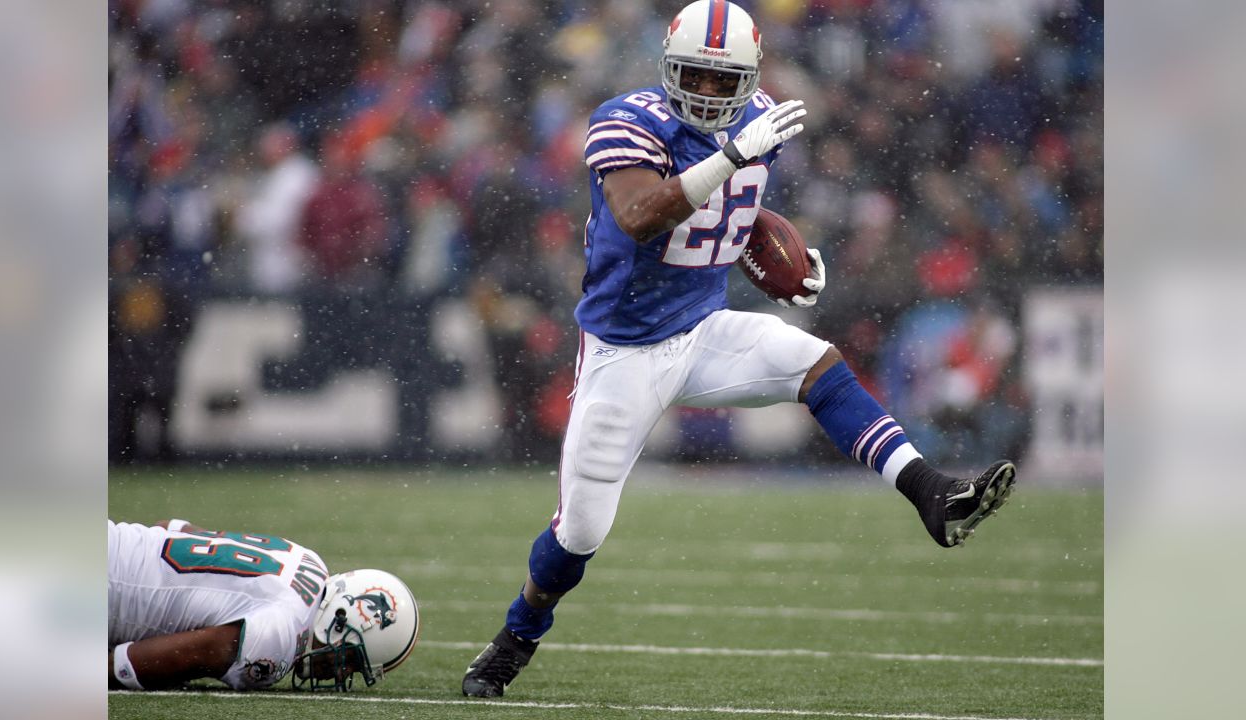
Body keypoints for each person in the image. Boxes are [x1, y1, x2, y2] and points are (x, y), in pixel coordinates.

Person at [461, 0, 1017, 699]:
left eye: (728, 81)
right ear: (669, 70)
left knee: (814, 361)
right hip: (625, 350)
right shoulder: (628, 122)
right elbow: (639, 216)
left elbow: (736, 209)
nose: (712, 93)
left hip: (703, 328)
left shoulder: (761, 125)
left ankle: (932, 493)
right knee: (579, 535)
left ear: (752, 78)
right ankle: (515, 638)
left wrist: (783, 255)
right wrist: (730, 155)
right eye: (698, 76)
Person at [108, 518, 418, 691]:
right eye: (351, 659)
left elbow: (175, 528)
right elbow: (180, 656)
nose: (341, 674)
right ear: (341, 617)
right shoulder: (283, 634)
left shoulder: (309, 560)